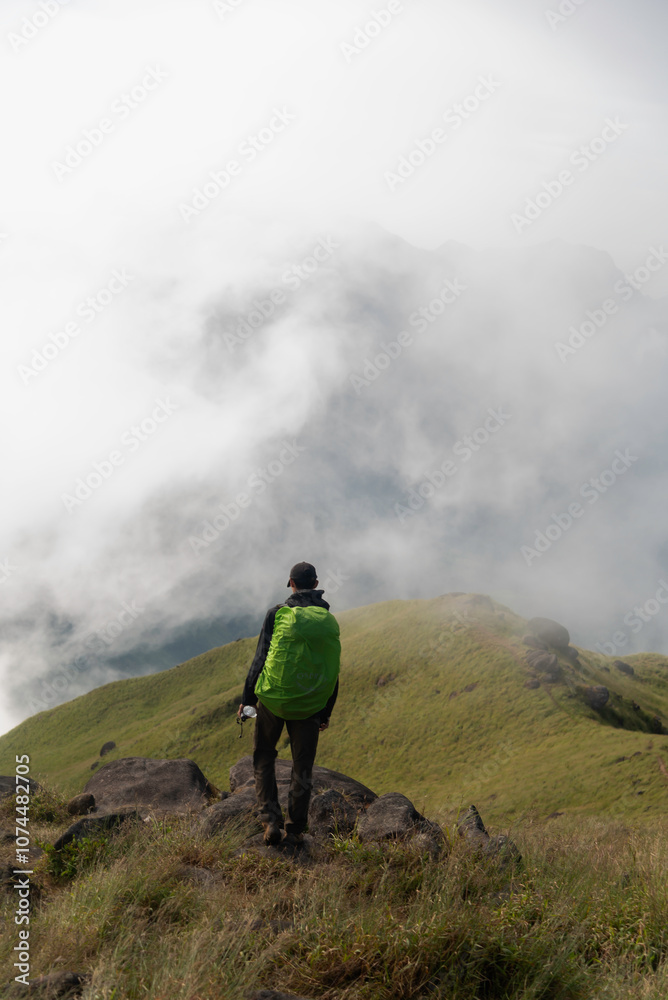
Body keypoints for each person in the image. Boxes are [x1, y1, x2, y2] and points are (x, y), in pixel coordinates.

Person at [238, 561, 341, 846]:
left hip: (273, 699)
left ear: (291, 584)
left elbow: (261, 658)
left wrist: (247, 701)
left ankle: (270, 821)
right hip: (310, 704)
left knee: (264, 756)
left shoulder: (277, 614)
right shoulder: (329, 620)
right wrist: (325, 711)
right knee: (302, 766)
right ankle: (295, 829)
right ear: (316, 584)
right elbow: (331, 669)